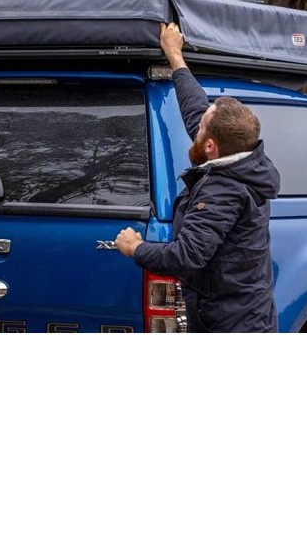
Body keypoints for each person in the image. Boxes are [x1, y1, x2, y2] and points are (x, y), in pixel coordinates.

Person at [114, 22, 281, 332]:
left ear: (210, 146)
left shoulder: (223, 193)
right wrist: (175, 56)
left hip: (230, 327)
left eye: (202, 127)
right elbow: (196, 110)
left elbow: (185, 256)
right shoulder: (245, 160)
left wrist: (135, 247)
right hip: (242, 317)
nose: (196, 125)